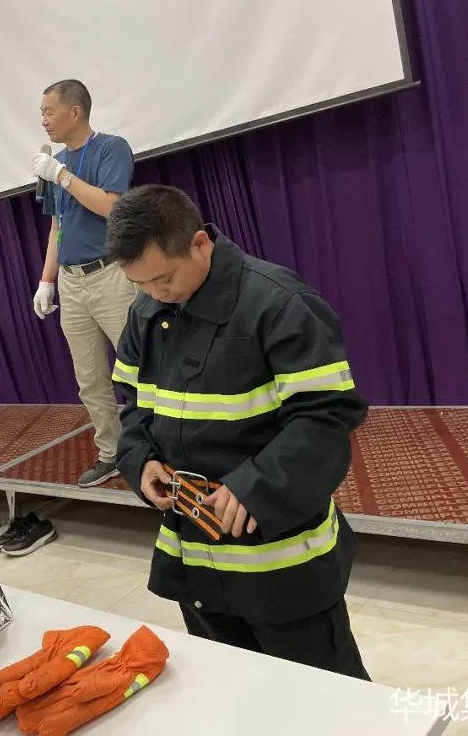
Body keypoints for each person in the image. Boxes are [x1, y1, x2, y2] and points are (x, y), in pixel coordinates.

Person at [108, 184, 370, 680]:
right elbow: (135, 403)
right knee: (232, 684)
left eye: (164, 278)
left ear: (200, 244)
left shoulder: (279, 303)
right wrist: (140, 459)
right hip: (196, 554)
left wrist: (256, 485)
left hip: (279, 560)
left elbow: (326, 416)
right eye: (141, 285)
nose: (156, 294)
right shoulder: (146, 313)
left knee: (322, 692)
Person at [32, 79, 138, 489]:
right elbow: (57, 227)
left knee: (139, 370)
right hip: (72, 283)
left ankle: (159, 449)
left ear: (74, 112)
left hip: (111, 275)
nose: (44, 121)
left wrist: (62, 176)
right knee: (90, 380)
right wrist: (47, 280)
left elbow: (113, 206)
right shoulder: (55, 163)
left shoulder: (111, 148)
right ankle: (112, 453)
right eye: (41, 113)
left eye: (49, 111)